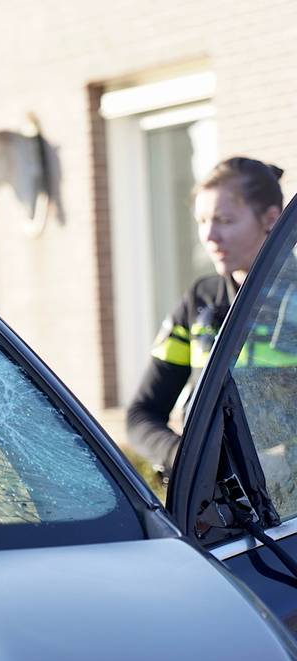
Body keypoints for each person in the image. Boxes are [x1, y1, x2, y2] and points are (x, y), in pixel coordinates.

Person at [127, 157, 284, 477]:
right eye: (201, 221)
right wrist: (188, 460)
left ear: (271, 218)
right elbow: (142, 415)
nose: (209, 235)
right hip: (213, 517)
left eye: (224, 220)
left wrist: (285, 463)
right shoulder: (200, 300)